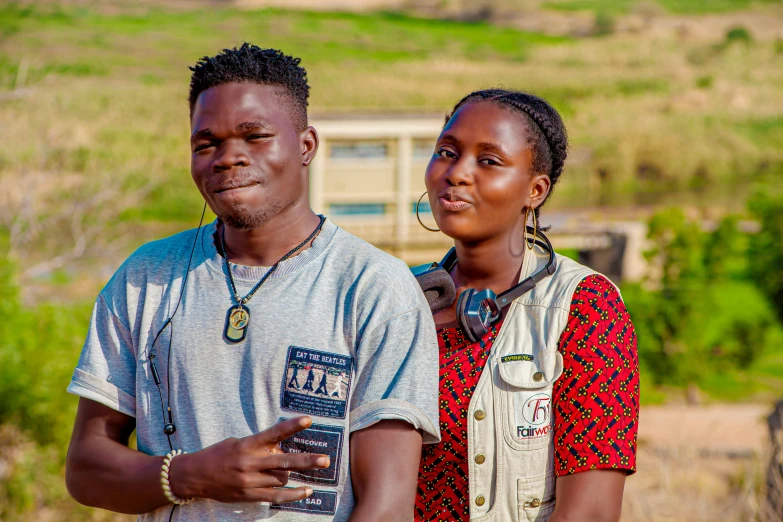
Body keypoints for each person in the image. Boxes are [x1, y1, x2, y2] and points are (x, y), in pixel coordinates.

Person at [64, 43, 439, 522]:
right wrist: (190, 475)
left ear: (306, 146)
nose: (227, 158)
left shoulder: (374, 288)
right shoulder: (145, 278)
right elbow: (86, 468)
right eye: (206, 144)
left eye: (255, 136)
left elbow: (386, 507)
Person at [413, 89, 640, 521]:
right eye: (446, 151)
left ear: (535, 190)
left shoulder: (585, 305)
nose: (456, 173)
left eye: (489, 160)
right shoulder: (398, 297)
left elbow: (588, 513)